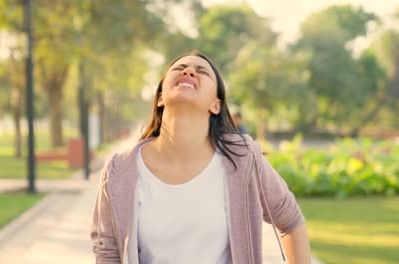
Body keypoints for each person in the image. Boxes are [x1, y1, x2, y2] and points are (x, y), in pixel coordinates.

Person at [91, 51, 311, 263]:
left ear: (216, 105)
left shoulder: (243, 158)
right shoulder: (119, 171)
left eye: (201, 71)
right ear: (160, 98)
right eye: (180, 68)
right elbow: (108, 253)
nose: (188, 72)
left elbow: (290, 221)